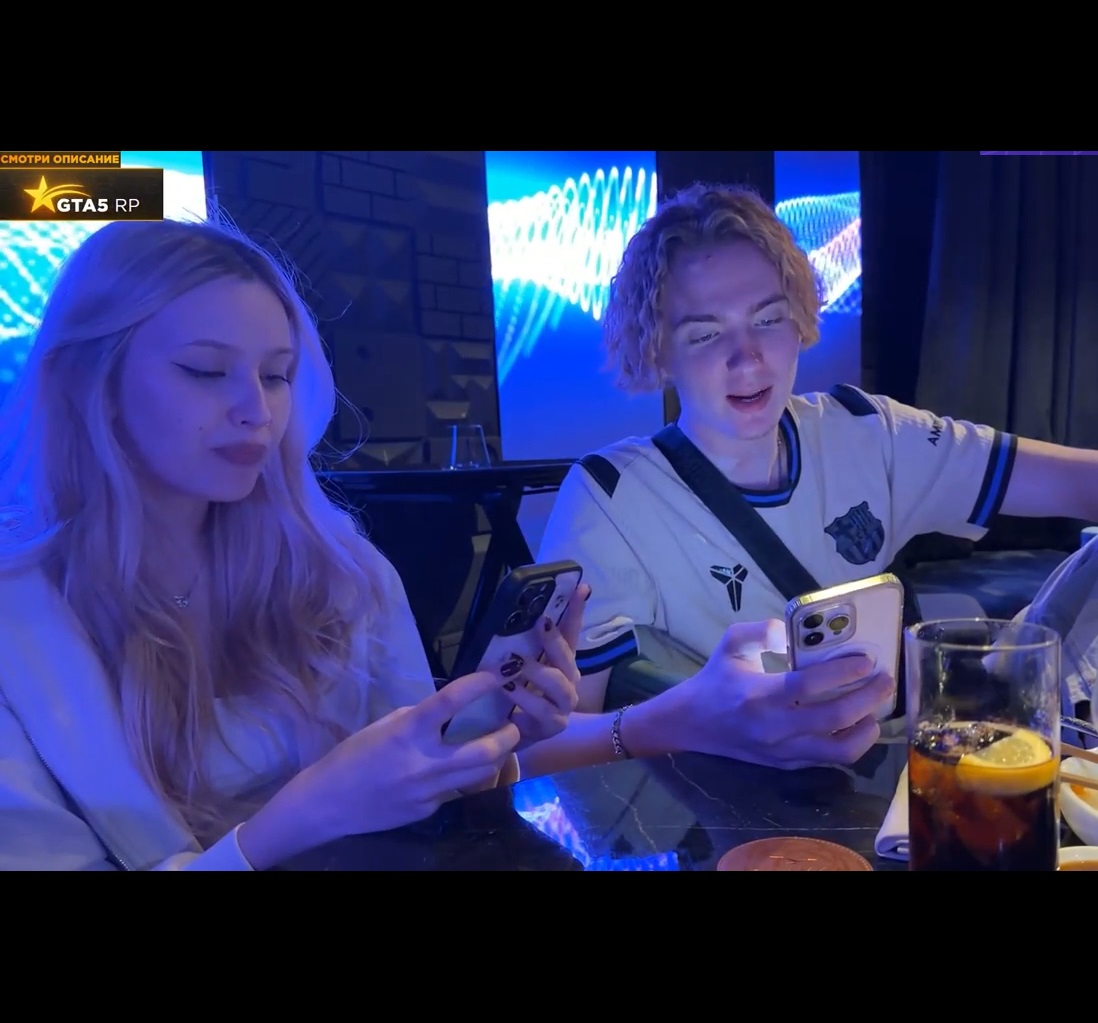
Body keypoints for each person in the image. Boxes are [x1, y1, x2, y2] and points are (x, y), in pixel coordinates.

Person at [0, 215, 587, 872]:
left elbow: (425, 808)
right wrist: (306, 814)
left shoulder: (339, 569)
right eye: (205, 370)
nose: (256, 410)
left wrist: (494, 737)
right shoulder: (17, 621)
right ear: (93, 381)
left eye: (276, 375)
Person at [530, 181, 1098, 773]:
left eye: (768, 319)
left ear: (799, 318)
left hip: (894, 783)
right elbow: (538, 746)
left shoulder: (868, 432)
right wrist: (679, 722)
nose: (748, 357)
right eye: (705, 334)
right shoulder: (610, 498)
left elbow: (1075, 480)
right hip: (726, 809)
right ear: (658, 352)